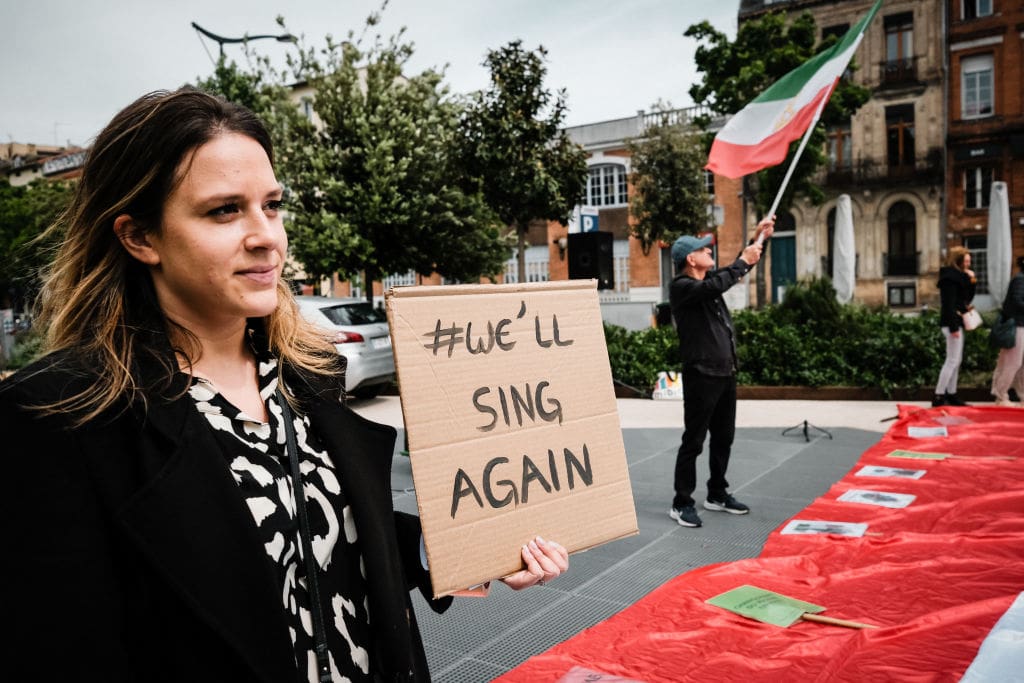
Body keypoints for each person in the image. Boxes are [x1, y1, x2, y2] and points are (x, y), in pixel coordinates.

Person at [0, 87, 568, 683]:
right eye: (224, 210)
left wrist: (455, 548)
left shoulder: (310, 372)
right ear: (139, 237)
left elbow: (327, 540)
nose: (266, 235)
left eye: (272, 205)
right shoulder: (62, 414)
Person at [667, 217, 775, 528]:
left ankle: (717, 493)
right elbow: (724, 279)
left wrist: (759, 237)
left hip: (725, 372)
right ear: (691, 259)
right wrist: (742, 260)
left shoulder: (706, 284)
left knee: (724, 437)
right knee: (695, 440)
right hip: (701, 373)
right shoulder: (683, 287)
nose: (709, 252)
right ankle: (681, 501)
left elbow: (731, 273)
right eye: (704, 250)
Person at [933, 246, 977, 407]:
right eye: (966, 261)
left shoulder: (960, 277)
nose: (968, 264)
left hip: (957, 323)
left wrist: (972, 280)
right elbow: (948, 305)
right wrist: (953, 328)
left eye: (969, 261)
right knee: (951, 360)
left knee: (956, 360)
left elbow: (967, 299)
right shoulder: (949, 279)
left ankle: (951, 394)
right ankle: (939, 396)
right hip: (952, 323)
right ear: (958, 261)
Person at [991, 255, 1024, 407]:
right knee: (1012, 362)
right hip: (1016, 326)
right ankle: (1000, 395)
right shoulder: (1019, 280)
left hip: (1021, 325)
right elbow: (1017, 302)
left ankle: (1022, 394)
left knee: (1020, 363)